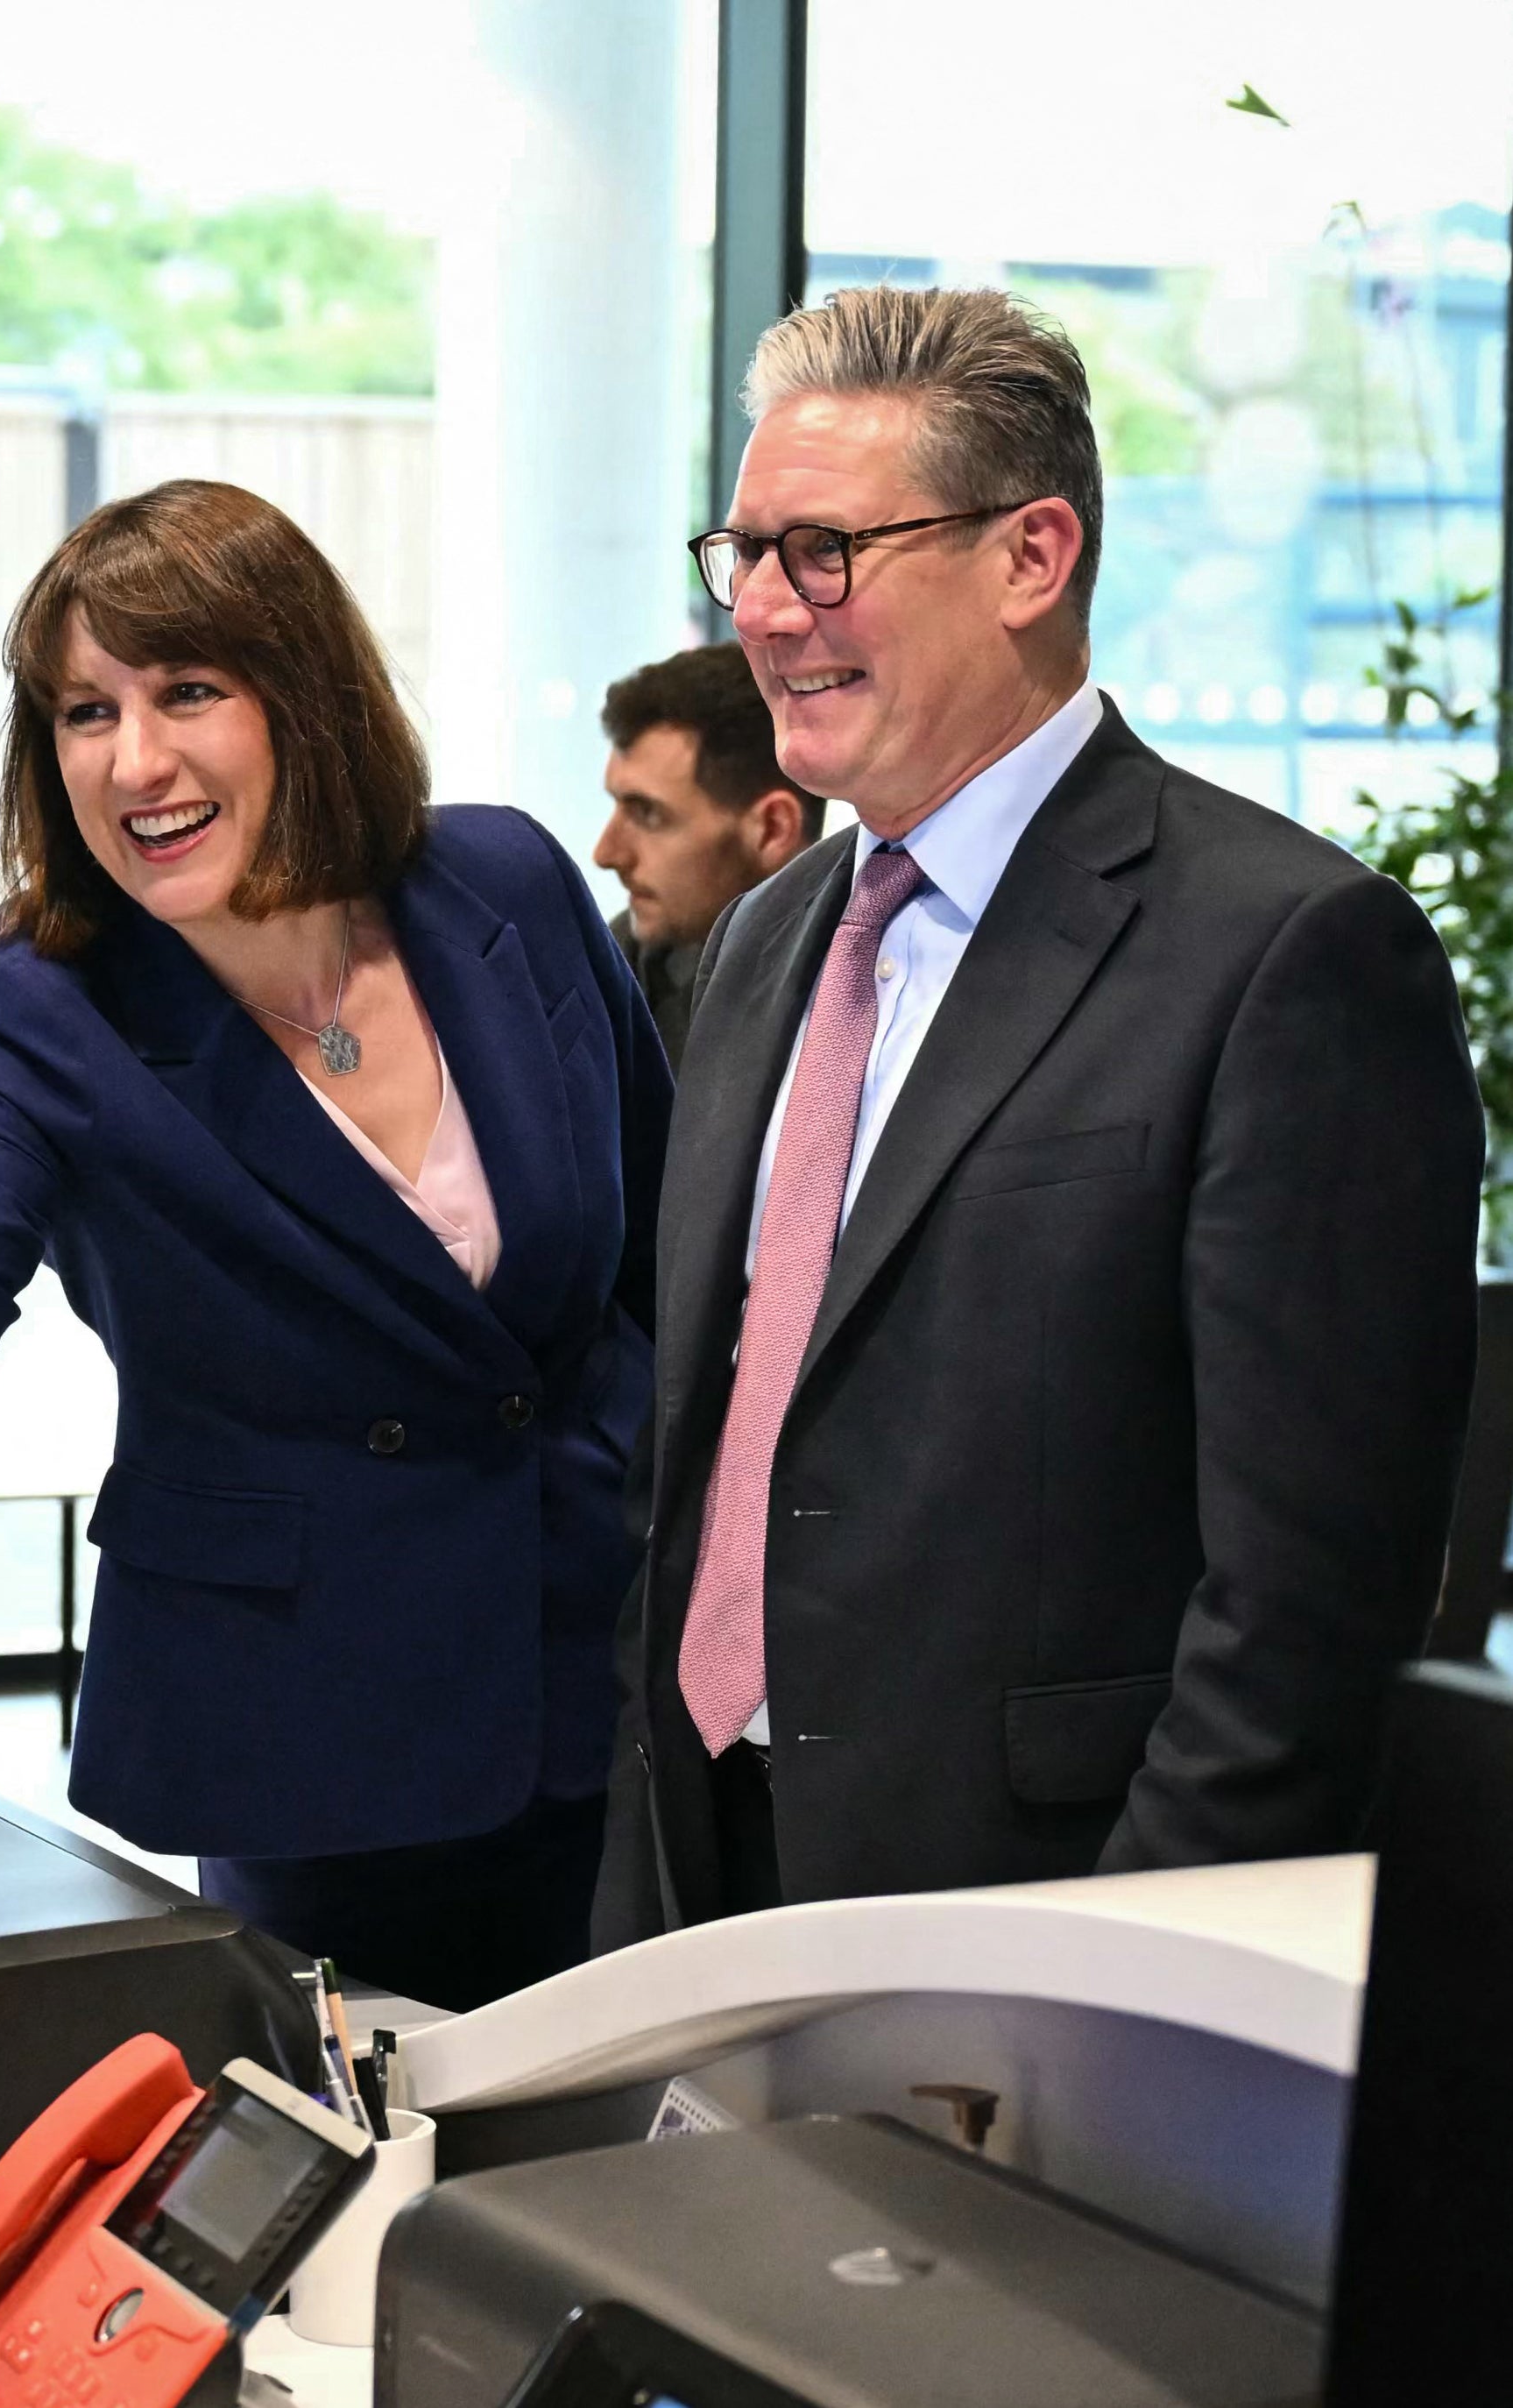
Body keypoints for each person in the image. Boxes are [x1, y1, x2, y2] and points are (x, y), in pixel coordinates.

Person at [597, 287, 1481, 1947]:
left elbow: (1304, 1613)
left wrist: (1116, 1995)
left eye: (826, 554)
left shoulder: (1287, 955)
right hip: (709, 1876)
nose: (770, 616)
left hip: (1044, 1920)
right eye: (747, 557)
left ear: (1030, 556)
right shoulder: (769, 936)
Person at [0, 481, 672, 2013]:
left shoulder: (503, 885)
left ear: (303, 694)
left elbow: (678, 1256)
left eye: (185, 693)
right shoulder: (41, 1004)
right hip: (322, 1738)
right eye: (84, 712)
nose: (135, 760)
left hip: (621, 1688)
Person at [592, 642, 824, 1066]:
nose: (607, 854)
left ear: (773, 829)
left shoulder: (862, 1004)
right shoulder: (614, 974)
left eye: (647, 813)